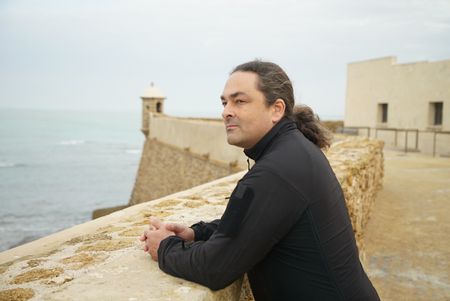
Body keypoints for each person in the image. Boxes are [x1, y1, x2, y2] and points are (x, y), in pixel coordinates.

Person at [139, 60, 380, 300]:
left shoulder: (276, 171)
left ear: (276, 109)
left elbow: (215, 267)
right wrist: (196, 233)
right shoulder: (293, 153)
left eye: (239, 101)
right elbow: (251, 224)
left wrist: (164, 247)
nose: (226, 112)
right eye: (224, 102)